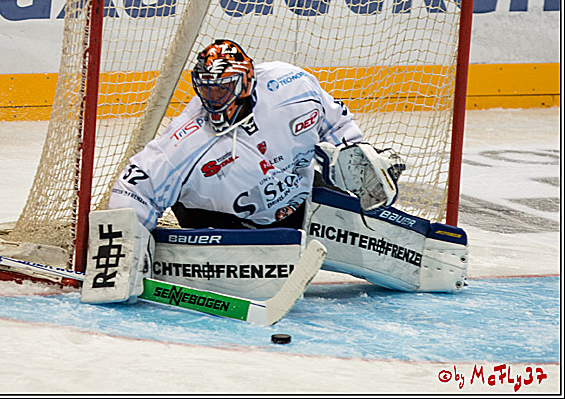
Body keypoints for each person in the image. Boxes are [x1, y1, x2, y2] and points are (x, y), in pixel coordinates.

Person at [87, 38, 467, 300]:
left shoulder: (291, 84)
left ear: (247, 78)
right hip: (224, 225)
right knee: (280, 260)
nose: (214, 98)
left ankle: (427, 258)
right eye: (207, 89)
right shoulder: (188, 136)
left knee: (404, 243)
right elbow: (136, 186)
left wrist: (355, 149)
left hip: (303, 202)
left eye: (224, 87)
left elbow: (334, 120)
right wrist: (120, 253)